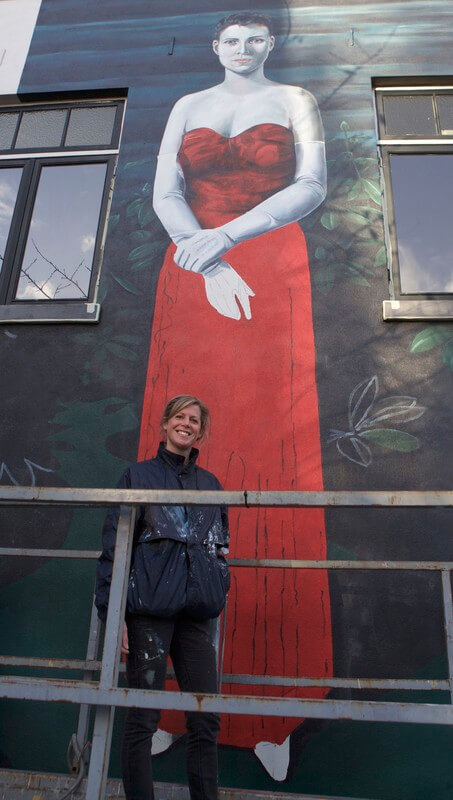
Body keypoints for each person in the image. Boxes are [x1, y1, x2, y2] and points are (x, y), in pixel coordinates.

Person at [138, 11, 333, 768]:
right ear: (215, 46)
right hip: (192, 276)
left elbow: (311, 184)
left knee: (267, 453)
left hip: (271, 266)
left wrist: (230, 239)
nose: (244, 48)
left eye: (256, 38)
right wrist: (207, 259)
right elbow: (164, 194)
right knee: (179, 461)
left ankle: (266, 713)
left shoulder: (293, 101)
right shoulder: (187, 106)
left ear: (269, 46)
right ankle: (163, 701)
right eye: (232, 38)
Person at [95, 394, 230, 800]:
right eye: (180, 417)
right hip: (148, 614)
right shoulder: (137, 478)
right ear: (165, 424)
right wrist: (113, 613)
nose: (187, 424)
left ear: (200, 431)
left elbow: (220, 548)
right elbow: (114, 551)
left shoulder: (211, 486)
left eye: (194, 420)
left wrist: (217, 585)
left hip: (195, 615)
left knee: (205, 717)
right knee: (143, 718)